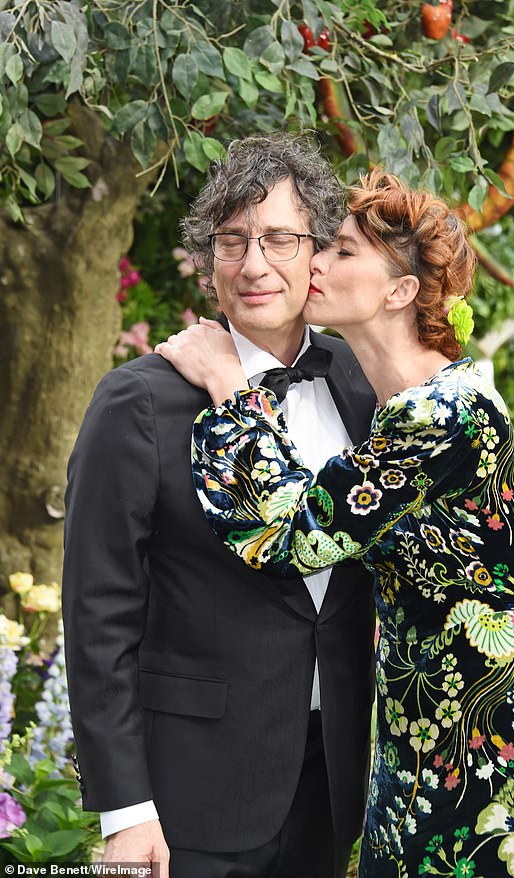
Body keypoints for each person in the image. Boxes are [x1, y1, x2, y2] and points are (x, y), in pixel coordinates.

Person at [156, 170, 514, 877]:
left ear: (399, 291)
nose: (314, 263)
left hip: (499, 755)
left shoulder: (442, 413)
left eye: (340, 251)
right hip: (422, 742)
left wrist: (228, 387)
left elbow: (294, 535)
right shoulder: (404, 408)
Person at [62, 133, 378, 878]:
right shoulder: (135, 403)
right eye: (232, 242)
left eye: (279, 239)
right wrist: (126, 812)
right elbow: (96, 616)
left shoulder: (364, 390)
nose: (255, 264)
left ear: (317, 255)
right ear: (207, 264)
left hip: (329, 785)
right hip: (188, 799)